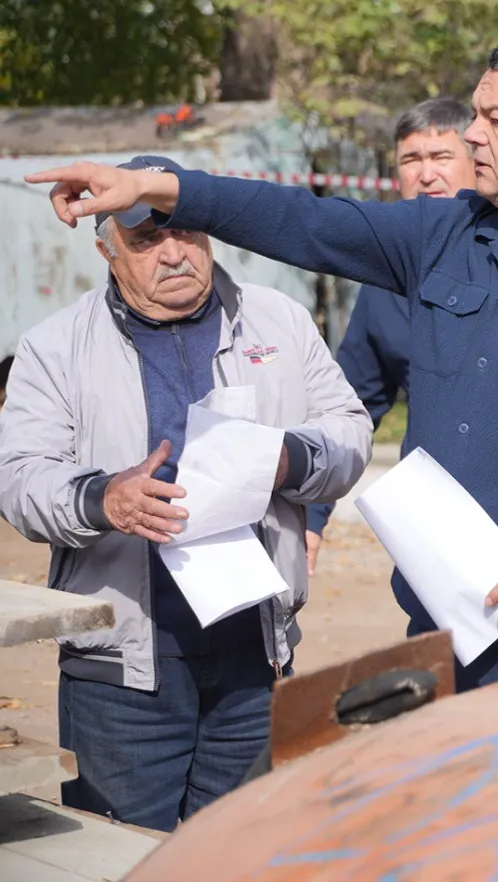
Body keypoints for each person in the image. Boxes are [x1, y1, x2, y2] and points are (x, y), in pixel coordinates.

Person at [28, 40, 498, 691]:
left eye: (494, 119)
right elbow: (302, 221)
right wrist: (158, 187)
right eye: (475, 115)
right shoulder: (441, 234)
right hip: (442, 636)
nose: (472, 134)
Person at [0, 156, 372, 831]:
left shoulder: (278, 322)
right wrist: (102, 499)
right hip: (123, 671)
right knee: (127, 859)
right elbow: (20, 478)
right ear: (108, 251)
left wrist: (290, 458)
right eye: (146, 239)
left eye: (186, 231)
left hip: (255, 658)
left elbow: (350, 431)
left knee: (237, 854)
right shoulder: (55, 348)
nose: (173, 253)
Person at [303, 97, 477, 581]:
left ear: (477, 161)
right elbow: (349, 407)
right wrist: (312, 516)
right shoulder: (385, 285)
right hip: (433, 531)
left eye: (441, 157)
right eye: (411, 160)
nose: (426, 174)